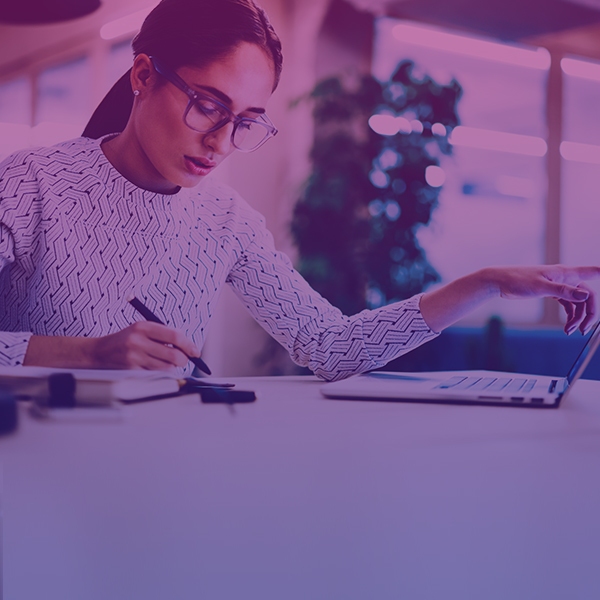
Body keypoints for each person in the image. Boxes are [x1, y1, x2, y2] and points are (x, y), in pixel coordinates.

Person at [0, 0, 597, 381]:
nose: (221, 141)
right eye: (208, 105)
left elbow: (331, 347)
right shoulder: (31, 184)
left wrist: (486, 281)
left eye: (246, 120)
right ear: (142, 76)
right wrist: (82, 355)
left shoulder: (225, 220)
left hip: (169, 473)